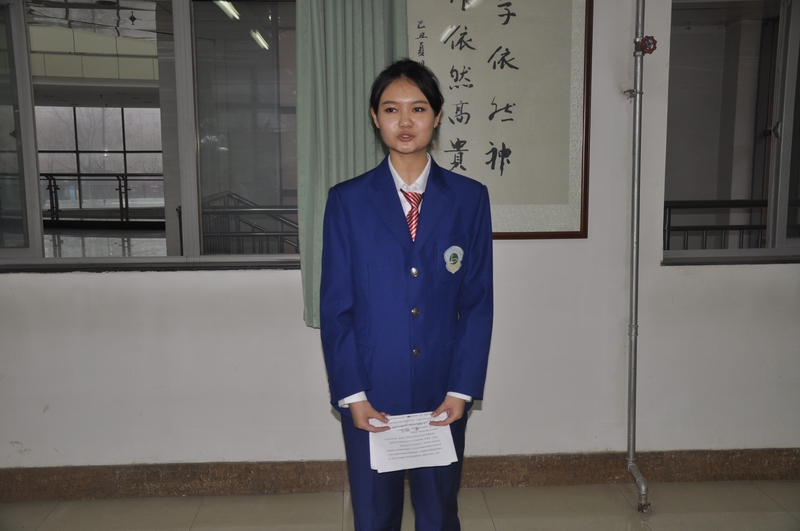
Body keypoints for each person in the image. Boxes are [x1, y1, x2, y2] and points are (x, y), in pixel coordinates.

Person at [320, 58, 494, 531]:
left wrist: (462, 389)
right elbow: (336, 308)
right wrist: (352, 395)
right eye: (391, 109)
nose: (404, 121)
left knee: (439, 512)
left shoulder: (469, 198)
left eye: (418, 108)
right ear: (374, 117)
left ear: (436, 117)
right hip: (372, 387)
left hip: (443, 388)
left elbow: (477, 301)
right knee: (375, 514)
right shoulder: (347, 201)